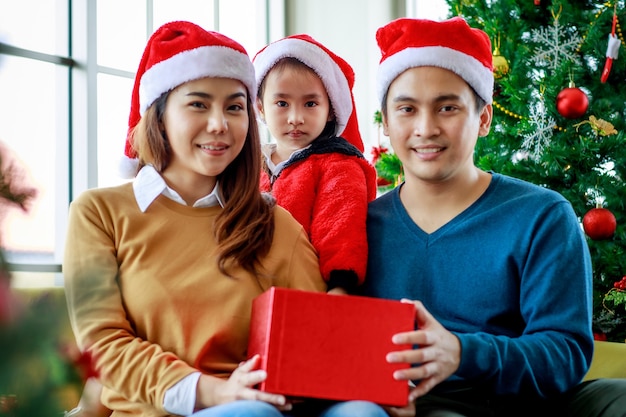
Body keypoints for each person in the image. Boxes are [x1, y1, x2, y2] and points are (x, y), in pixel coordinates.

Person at [63, 21, 386, 417]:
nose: (220, 124)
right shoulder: (100, 214)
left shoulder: (275, 223)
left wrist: (379, 386)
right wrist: (217, 392)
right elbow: (104, 344)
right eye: (198, 104)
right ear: (159, 115)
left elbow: (324, 336)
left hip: (264, 404)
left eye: (234, 107)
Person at [360, 16, 626, 417]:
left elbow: (565, 352)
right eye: (407, 109)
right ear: (387, 123)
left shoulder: (542, 215)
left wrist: (463, 352)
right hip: (414, 406)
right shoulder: (360, 227)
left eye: (447, 107)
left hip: (528, 402)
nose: (425, 128)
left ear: (483, 119)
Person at [252, 34, 377, 295]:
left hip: (306, 292)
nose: (295, 118)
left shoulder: (338, 165)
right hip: (246, 289)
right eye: (282, 103)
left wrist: (339, 287)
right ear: (261, 108)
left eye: (310, 104)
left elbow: (342, 228)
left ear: (330, 109)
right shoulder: (250, 164)